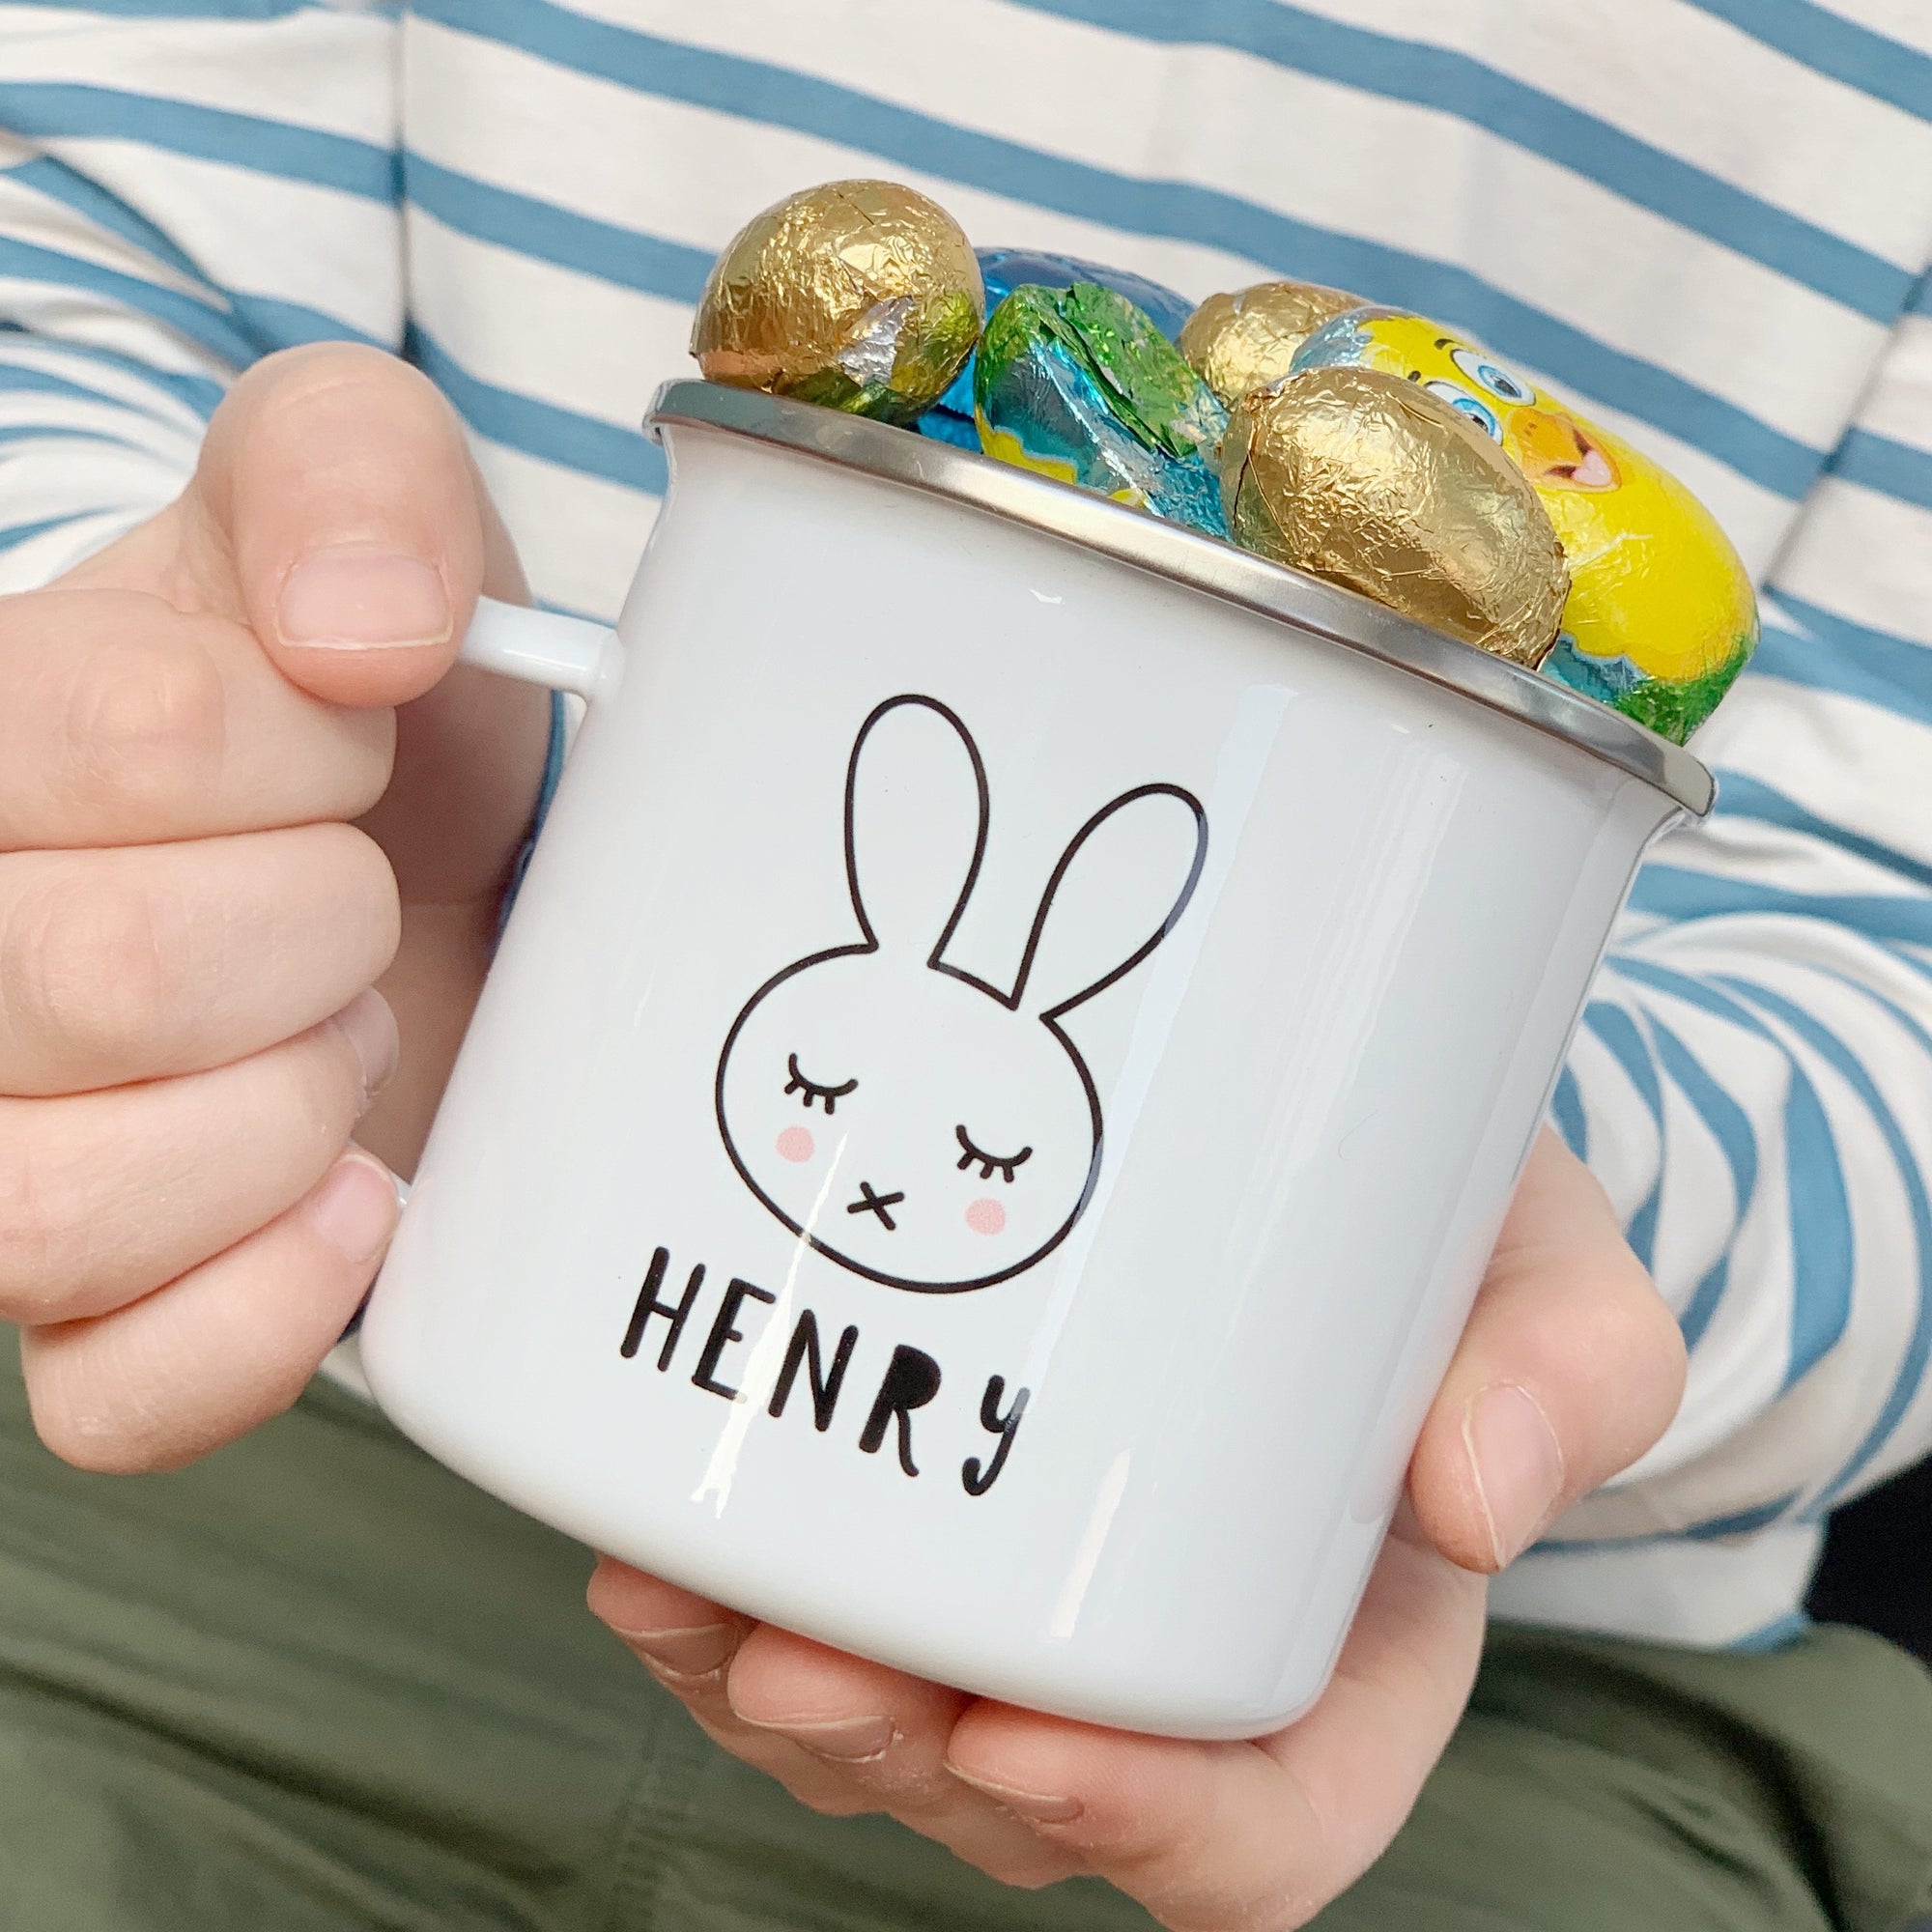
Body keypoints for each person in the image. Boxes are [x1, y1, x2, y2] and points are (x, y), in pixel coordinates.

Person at [0, 2, 1929, 1926]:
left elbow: (1885, 988)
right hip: (263, 1458)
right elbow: (74, 273)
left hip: (1470, 1697)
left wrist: (1416, 1187)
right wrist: (258, 834)